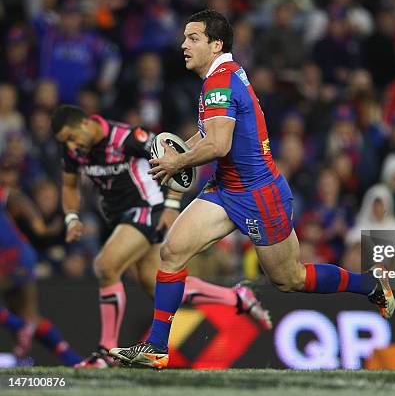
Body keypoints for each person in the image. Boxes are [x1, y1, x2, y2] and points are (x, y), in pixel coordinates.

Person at [111, 9, 395, 369]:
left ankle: (368, 285)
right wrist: (178, 150)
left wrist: (177, 163)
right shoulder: (222, 74)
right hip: (228, 188)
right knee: (172, 252)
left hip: (260, 196)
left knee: (290, 278)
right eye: (184, 38)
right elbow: (210, 133)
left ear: (215, 45)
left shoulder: (219, 82)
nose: (183, 45)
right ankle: (155, 347)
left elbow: (218, 145)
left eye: (193, 38)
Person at [51, 105, 271, 368]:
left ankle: (104, 352)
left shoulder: (127, 137)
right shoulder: (76, 151)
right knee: (159, 288)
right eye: (66, 142)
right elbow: (69, 185)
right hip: (121, 218)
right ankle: (237, 298)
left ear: (86, 123)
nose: (72, 145)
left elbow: (177, 155)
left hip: (148, 209)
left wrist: (172, 204)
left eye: (72, 137)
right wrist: (72, 216)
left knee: (105, 266)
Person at [0, 184, 82, 366]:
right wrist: (38, 225)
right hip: (21, 255)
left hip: (11, 258)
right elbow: (14, 196)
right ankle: (73, 360)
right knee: (27, 314)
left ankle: (19, 327)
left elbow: (14, 195)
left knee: (23, 319)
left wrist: (38, 225)